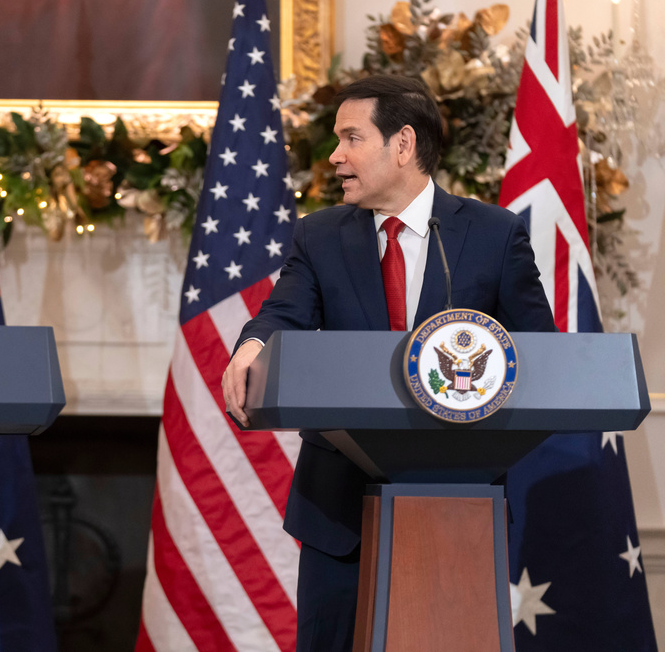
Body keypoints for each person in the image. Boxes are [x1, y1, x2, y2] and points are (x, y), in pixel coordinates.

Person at [220, 74, 557, 652]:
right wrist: (252, 345)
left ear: (402, 144)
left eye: (351, 138)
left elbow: (542, 360)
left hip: (458, 510)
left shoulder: (495, 236)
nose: (335, 156)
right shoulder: (320, 236)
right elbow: (281, 313)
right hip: (338, 515)